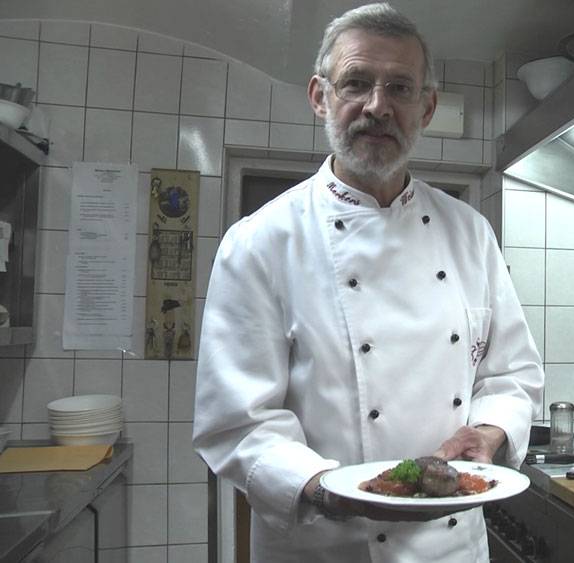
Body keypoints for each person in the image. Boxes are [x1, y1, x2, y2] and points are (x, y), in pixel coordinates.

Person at [192, 3, 544, 562]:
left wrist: (490, 432)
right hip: (324, 547)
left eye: (400, 88)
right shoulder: (259, 242)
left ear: (427, 107)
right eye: (356, 83)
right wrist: (326, 489)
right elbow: (235, 423)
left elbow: (513, 374)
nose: (378, 106)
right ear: (320, 97)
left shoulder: (470, 232)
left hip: (451, 548)